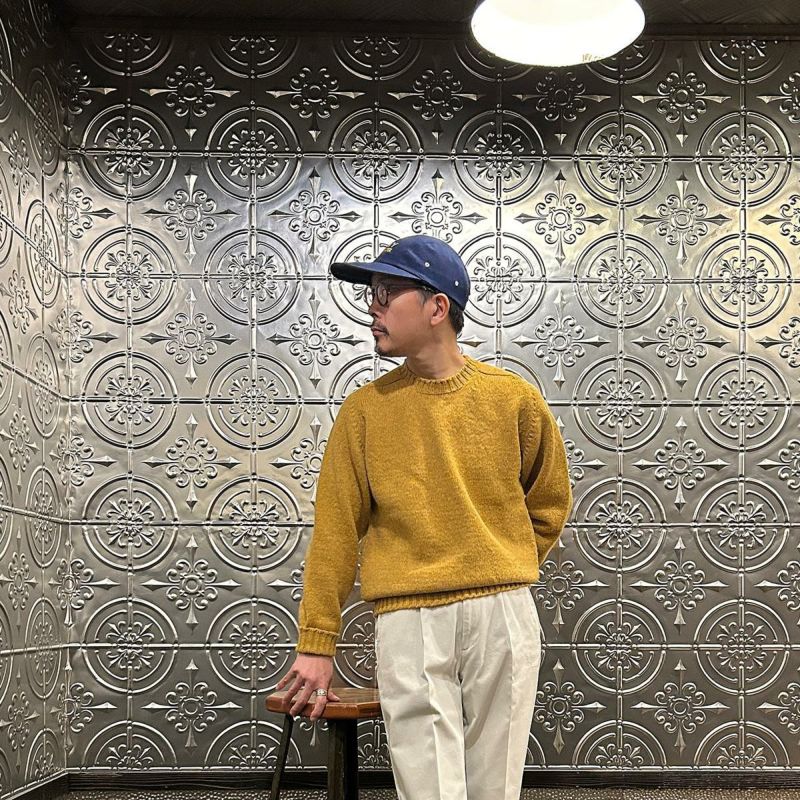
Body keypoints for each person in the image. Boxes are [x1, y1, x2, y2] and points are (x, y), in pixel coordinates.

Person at [276, 234, 572, 800]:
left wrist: (501, 560)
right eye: (371, 294)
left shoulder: (512, 399)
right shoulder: (366, 411)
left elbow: (550, 503)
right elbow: (336, 529)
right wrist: (316, 642)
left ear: (438, 307)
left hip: (502, 612)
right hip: (409, 617)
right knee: (429, 791)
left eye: (387, 293)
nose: (373, 307)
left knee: (496, 789)